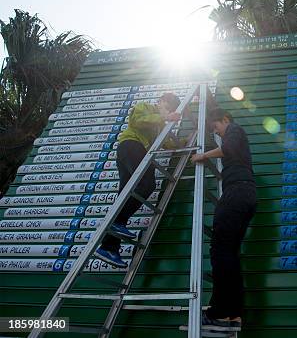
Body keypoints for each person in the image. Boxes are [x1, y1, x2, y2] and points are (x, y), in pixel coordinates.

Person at [94, 92, 183, 268]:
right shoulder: (145, 107)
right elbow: (137, 121)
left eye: (171, 110)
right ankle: (118, 223)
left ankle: (108, 248)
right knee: (147, 184)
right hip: (130, 146)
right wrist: (163, 116)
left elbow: (167, 144)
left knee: (125, 197)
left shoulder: (158, 124)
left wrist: (184, 143)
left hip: (133, 152)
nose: (168, 112)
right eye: (168, 107)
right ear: (161, 101)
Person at [191, 108, 257, 329]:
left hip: (237, 192)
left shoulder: (234, 129)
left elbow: (227, 148)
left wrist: (203, 155)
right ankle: (233, 314)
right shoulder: (235, 135)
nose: (217, 132)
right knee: (229, 254)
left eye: (216, 127)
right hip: (245, 194)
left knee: (220, 250)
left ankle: (219, 311)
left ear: (225, 120)